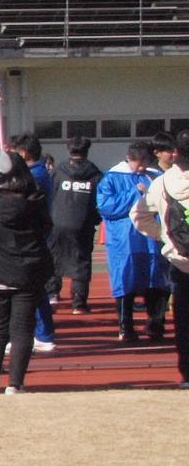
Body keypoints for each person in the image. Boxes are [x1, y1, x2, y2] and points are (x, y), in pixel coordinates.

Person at [0, 158, 55, 395]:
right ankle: (15, 384)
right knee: (23, 329)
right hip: (27, 272)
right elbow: (46, 228)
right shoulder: (35, 201)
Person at [131, 128, 189, 387]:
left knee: (184, 321)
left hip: (180, 259)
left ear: (176, 153)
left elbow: (138, 216)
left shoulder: (162, 182)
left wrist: (164, 235)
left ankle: (187, 374)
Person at [96, 141, 169, 344]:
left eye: (146, 161)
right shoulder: (112, 177)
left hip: (153, 239)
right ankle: (125, 326)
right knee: (125, 281)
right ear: (129, 158)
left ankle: (156, 324)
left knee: (157, 280)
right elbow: (106, 207)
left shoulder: (157, 176)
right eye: (139, 162)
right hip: (125, 240)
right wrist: (134, 193)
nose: (142, 167)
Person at [9, 134, 56, 352]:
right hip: (32, 236)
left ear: (24, 153)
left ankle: (42, 334)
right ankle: (41, 333)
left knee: (31, 288)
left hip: (31, 237)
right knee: (31, 288)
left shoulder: (35, 175)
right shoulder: (36, 174)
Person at [49, 136, 102, 311]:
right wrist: (94, 219)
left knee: (54, 257)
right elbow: (99, 201)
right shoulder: (96, 175)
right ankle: (79, 302)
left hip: (57, 221)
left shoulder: (59, 171)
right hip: (82, 223)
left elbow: (51, 194)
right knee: (82, 259)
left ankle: (52, 293)